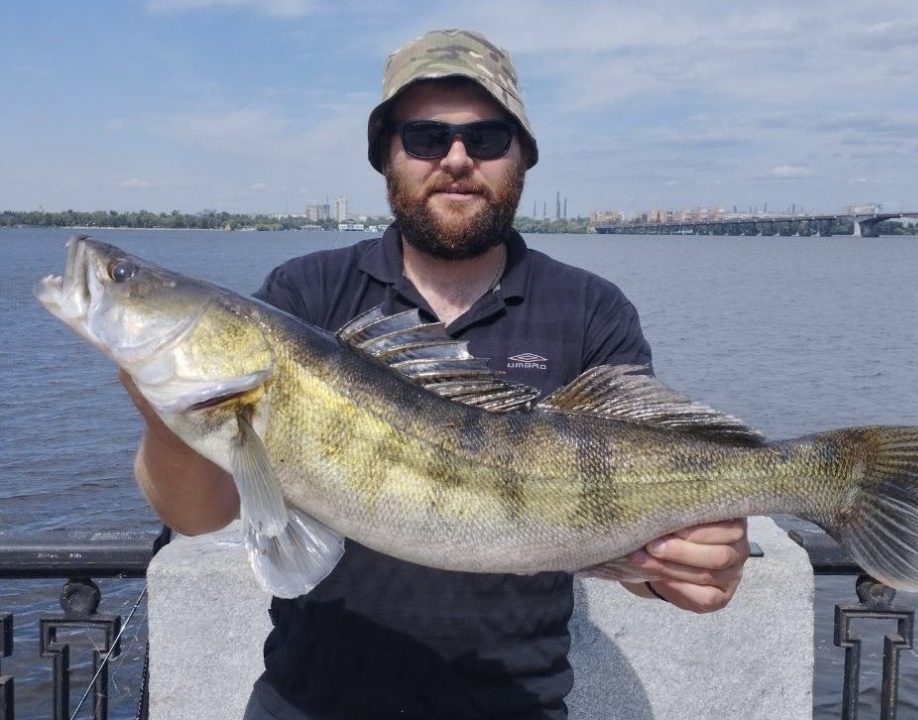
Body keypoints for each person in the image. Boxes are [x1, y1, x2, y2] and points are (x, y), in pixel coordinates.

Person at [123, 29, 749, 720]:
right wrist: (165, 407)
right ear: (385, 155)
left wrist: (677, 570)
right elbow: (199, 513)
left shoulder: (590, 308)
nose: (456, 159)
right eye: (424, 138)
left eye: (485, 138)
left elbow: (616, 526)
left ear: (523, 159)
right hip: (309, 703)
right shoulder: (305, 297)